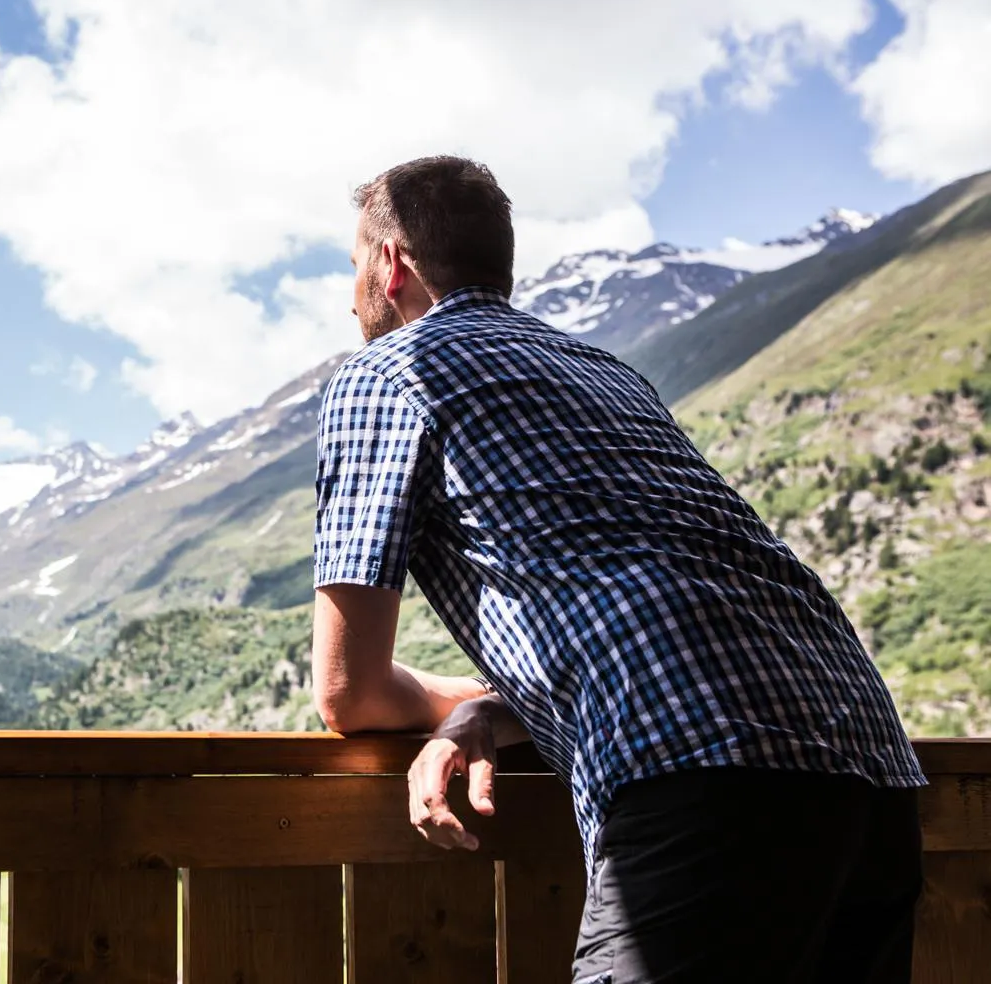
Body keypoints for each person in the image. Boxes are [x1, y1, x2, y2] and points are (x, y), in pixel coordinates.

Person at [310, 155, 927, 983]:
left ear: (391, 264)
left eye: (354, 263)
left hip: (694, 770)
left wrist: (437, 703)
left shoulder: (385, 376)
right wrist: (488, 710)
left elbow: (348, 694)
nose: (351, 293)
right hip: (866, 759)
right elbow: (636, 597)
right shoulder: (609, 372)